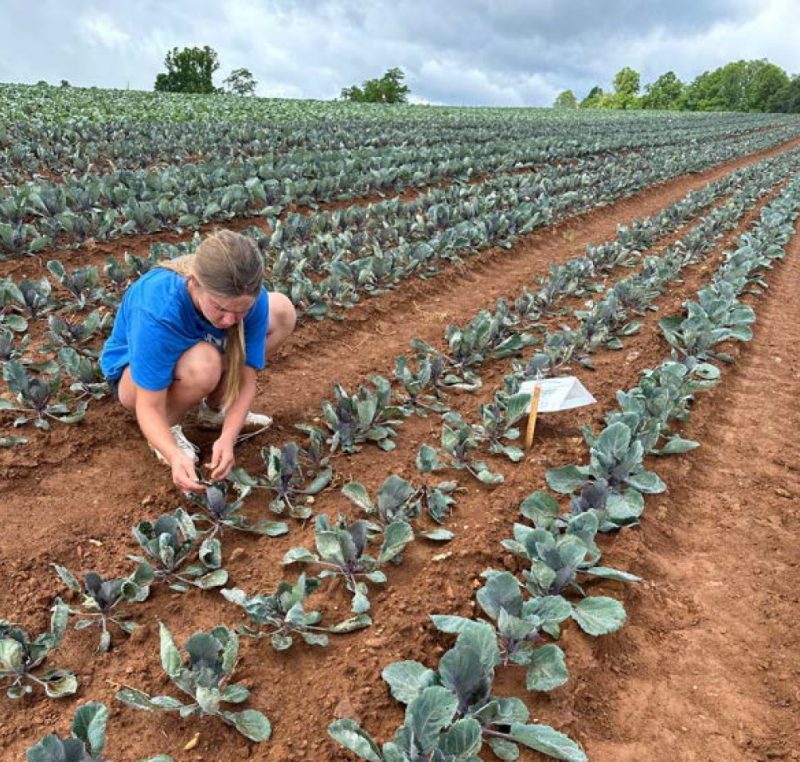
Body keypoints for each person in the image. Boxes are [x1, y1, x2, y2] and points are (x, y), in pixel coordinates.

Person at [100, 229, 296, 492]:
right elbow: (147, 406)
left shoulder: (249, 299)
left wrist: (228, 438)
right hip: (132, 377)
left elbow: (247, 377)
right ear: (194, 284)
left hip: (201, 350)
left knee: (281, 310)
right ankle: (168, 428)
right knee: (205, 363)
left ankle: (215, 410)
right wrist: (173, 455)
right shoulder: (158, 309)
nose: (229, 321)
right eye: (221, 308)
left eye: (241, 311)